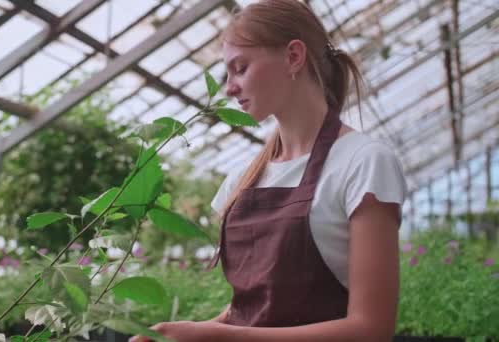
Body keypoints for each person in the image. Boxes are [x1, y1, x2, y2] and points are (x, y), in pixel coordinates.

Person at [130, 0, 407, 341]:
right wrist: (183, 334)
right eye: (227, 73)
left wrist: (225, 338)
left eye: (241, 68)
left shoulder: (363, 162)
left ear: (293, 56)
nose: (229, 87)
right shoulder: (243, 179)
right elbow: (251, 312)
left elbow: (371, 329)